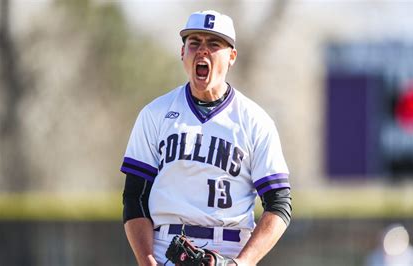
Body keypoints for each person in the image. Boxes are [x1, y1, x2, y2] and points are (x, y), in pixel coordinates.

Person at [120, 10, 292, 266]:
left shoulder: (255, 121)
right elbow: (135, 197)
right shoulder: (155, 114)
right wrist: (147, 261)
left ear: (232, 56)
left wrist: (242, 263)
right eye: (194, 43)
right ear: (182, 53)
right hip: (166, 247)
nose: (202, 51)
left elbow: (279, 203)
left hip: (229, 249)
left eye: (214, 44)